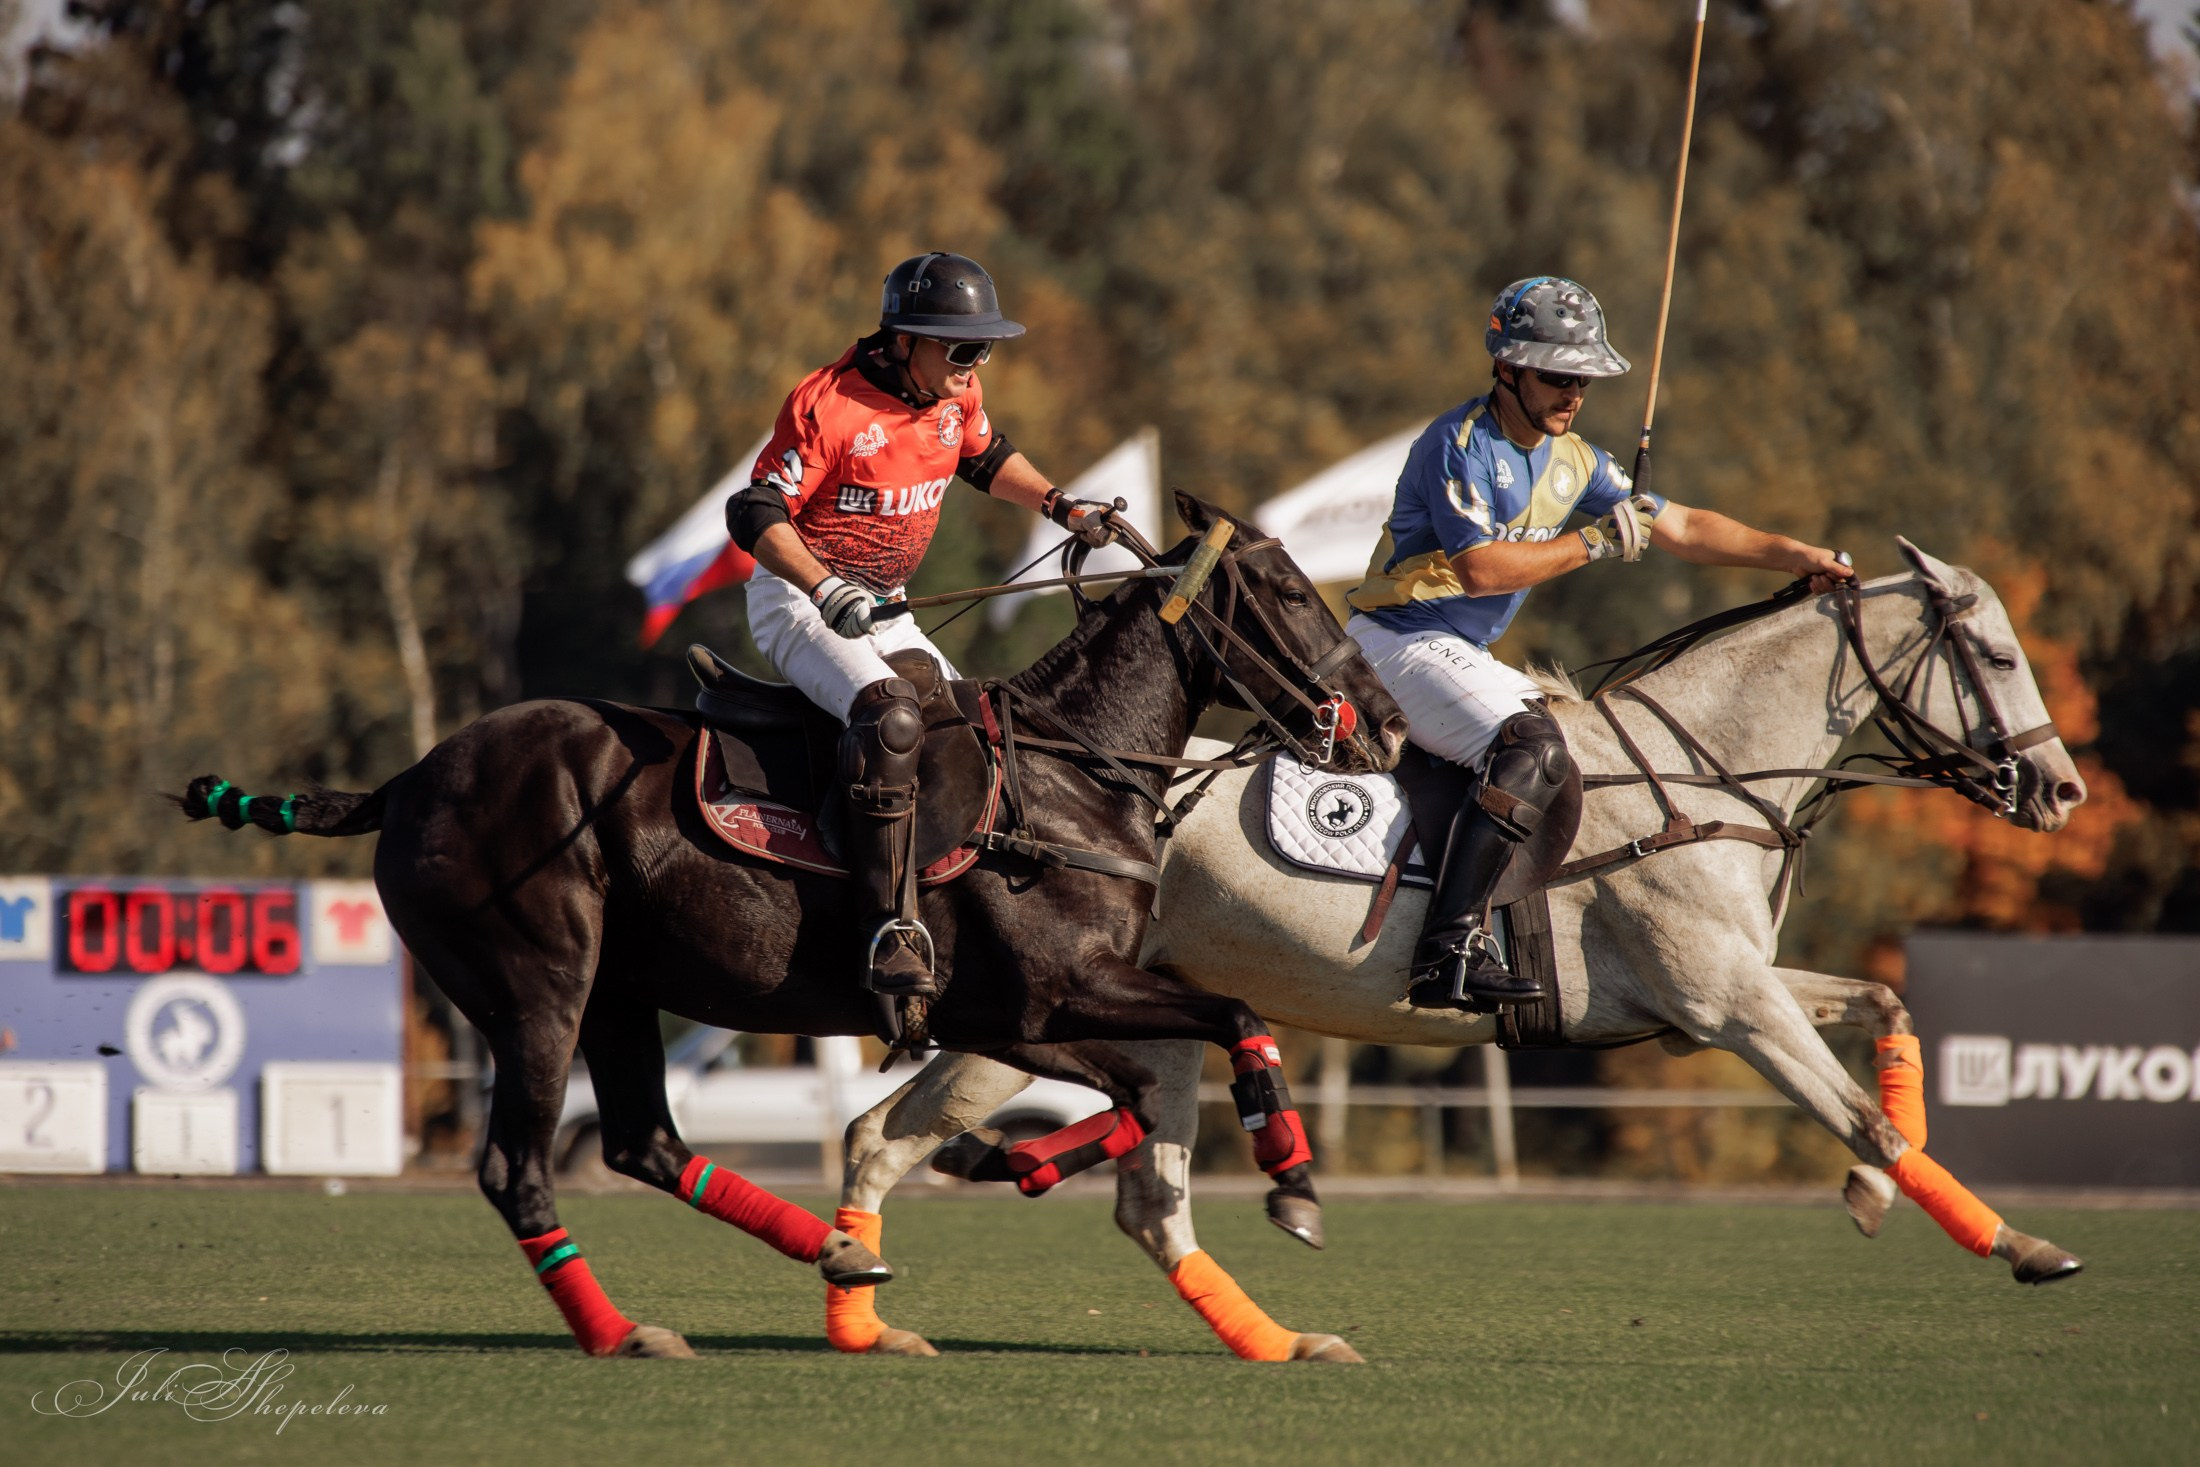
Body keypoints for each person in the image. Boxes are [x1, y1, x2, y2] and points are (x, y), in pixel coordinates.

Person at [1343, 276, 1854, 1012]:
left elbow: (1679, 526)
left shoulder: (1575, 459)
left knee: (1581, 751)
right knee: (1533, 746)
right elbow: (1481, 570)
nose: (1572, 395)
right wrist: (1592, 542)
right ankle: (1445, 951)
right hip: (1394, 640)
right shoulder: (1458, 445)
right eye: (1557, 377)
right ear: (1508, 369)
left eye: (1582, 380)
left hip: (1456, 653)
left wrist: (1793, 553)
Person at [725, 252, 1114, 998]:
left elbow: (985, 456)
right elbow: (754, 513)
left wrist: (1063, 506)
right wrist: (822, 584)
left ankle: (973, 905)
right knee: (890, 720)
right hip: (800, 601)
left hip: (888, 604)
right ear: (905, 340)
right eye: (963, 348)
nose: (976, 364)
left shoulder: (954, 394)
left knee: (976, 725)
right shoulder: (827, 404)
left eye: (986, 348)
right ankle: (887, 925)